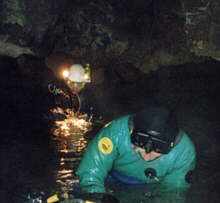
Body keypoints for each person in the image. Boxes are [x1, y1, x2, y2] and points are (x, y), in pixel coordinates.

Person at [75, 105, 196, 198]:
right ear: (131, 131)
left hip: (150, 188)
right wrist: (98, 197)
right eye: (140, 142)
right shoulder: (115, 132)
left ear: (172, 144)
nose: (147, 155)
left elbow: (173, 193)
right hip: (110, 178)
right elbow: (91, 173)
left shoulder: (184, 152)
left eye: (158, 148)